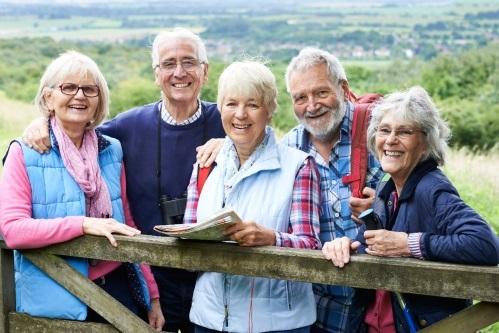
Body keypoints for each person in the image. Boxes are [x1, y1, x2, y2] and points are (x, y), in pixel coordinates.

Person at [22, 28, 226, 332]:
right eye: (169, 64)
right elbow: (76, 133)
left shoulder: (230, 121)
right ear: (156, 74)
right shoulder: (128, 126)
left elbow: (268, 149)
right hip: (153, 278)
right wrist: (43, 123)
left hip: (217, 278)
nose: (179, 72)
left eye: (189, 62)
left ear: (205, 71)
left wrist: (233, 145)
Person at [196, 47, 384, 333]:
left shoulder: (377, 137)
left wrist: (381, 206)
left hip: (367, 296)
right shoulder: (292, 145)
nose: (311, 105)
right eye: (300, 98)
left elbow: (414, 194)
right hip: (312, 301)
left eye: (321, 93)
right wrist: (228, 146)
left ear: (343, 89)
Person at [0, 51, 164, 330]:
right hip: (53, 296)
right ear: (49, 97)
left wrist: (153, 296)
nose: (80, 96)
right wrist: (84, 224)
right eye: (68, 87)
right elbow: (13, 230)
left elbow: (126, 222)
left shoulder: (111, 150)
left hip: (118, 288)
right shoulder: (24, 152)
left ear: (99, 99)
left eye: (90, 89)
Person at [322, 86, 499, 332]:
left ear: (425, 143)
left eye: (404, 131)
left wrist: (408, 244)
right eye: (384, 130)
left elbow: (485, 244)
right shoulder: (388, 190)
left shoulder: (432, 188)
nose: (391, 140)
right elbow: (376, 245)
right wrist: (344, 245)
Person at [183, 61, 321, 333]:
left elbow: (312, 246)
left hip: (279, 325)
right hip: (209, 320)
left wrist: (271, 239)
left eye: (253, 105)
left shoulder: (298, 167)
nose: (241, 115)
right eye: (231, 103)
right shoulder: (205, 165)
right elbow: (189, 233)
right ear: (220, 108)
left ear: (270, 110)